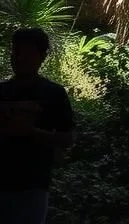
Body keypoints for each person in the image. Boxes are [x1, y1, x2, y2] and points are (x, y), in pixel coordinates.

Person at [0, 28, 74, 224]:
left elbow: (67, 138)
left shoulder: (54, 94)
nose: (19, 58)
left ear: (42, 57)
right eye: (16, 52)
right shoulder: (1, 91)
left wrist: (31, 133)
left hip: (33, 186)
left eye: (27, 53)